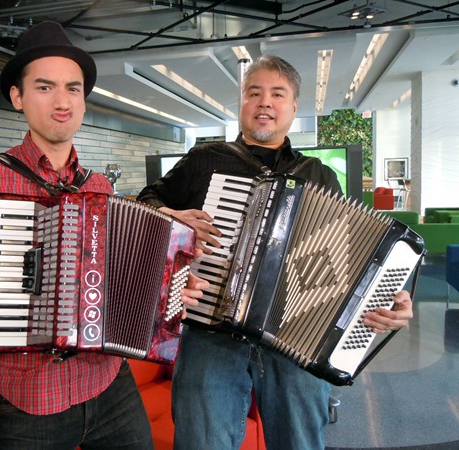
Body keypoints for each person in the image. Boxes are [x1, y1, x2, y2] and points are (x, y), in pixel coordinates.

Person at [0, 21, 206, 450]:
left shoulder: (100, 187)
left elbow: (120, 280)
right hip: (29, 401)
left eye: (73, 88)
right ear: (17, 97)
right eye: (44, 88)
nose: (62, 102)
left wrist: (169, 289)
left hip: (110, 383)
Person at [137, 54, 414, 450]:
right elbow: (146, 201)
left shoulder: (318, 175)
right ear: (242, 104)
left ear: (293, 107)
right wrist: (171, 214)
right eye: (254, 93)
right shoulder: (205, 161)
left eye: (277, 94)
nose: (265, 102)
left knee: (301, 442)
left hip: (295, 338)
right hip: (210, 334)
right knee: (203, 442)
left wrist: (391, 299)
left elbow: (353, 261)